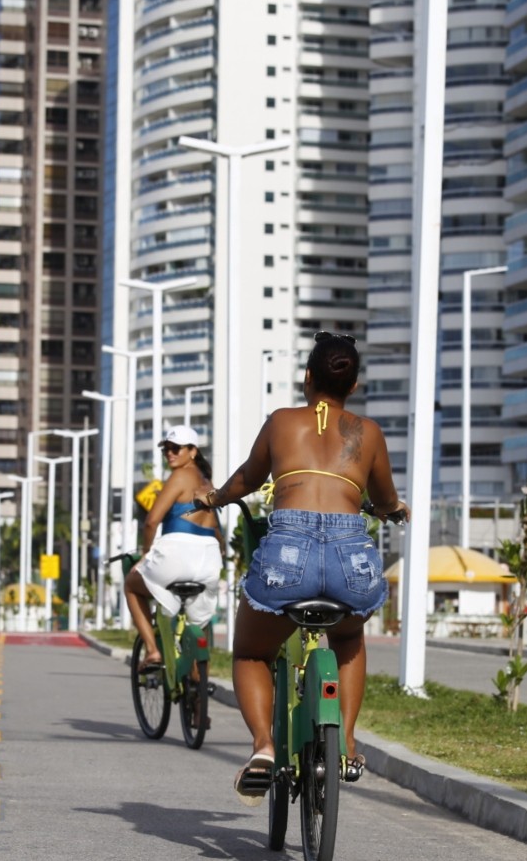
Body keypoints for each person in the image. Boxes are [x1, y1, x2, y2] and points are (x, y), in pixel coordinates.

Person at [196, 330, 407, 804]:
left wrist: (214, 498)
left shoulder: (281, 421)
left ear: (307, 377)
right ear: (354, 385)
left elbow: (248, 478)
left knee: (251, 653)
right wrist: (391, 509)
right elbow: (385, 498)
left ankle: (263, 747)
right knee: (348, 638)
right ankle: (346, 743)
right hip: (350, 554)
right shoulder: (368, 432)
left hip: (288, 551)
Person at [124, 425, 225, 669]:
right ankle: (198, 684)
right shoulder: (206, 481)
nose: (170, 453)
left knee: (131, 585)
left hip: (177, 557)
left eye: (176, 448)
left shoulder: (179, 476)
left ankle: (152, 651)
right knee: (196, 624)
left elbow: (152, 521)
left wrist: (146, 554)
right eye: (166, 449)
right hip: (209, 560)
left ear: (192, 451)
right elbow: (217, 530)